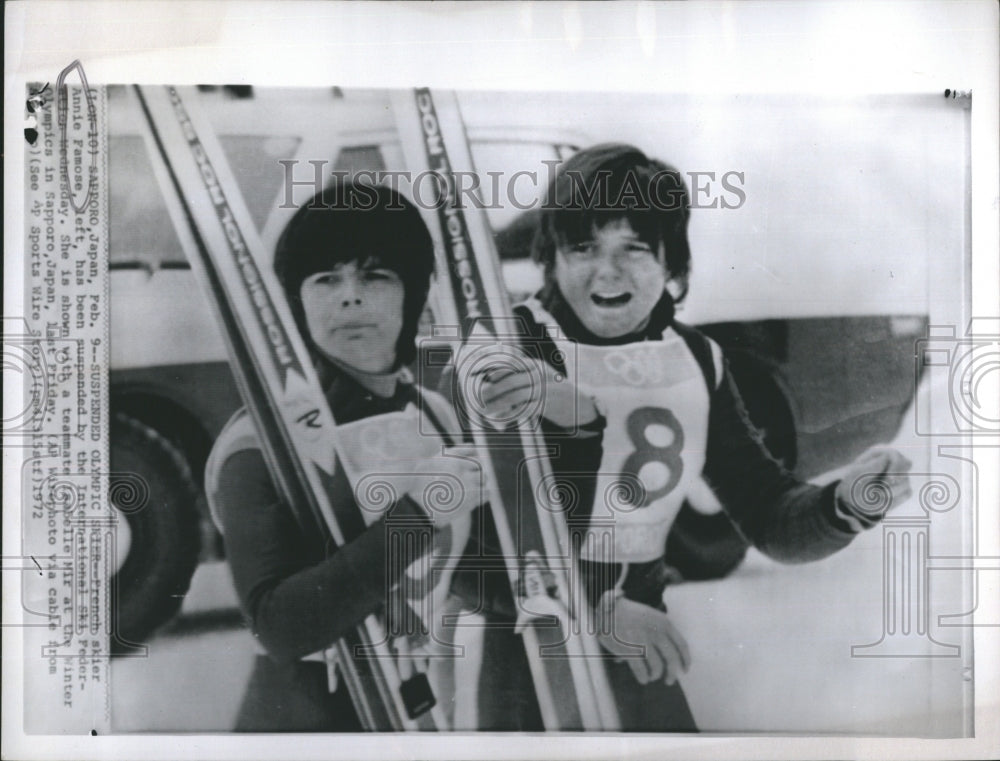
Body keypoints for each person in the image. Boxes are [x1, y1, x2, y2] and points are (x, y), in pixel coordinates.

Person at [471, 143, 913, 731]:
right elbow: (455, 546)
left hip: (639, 648)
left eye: (634, 248)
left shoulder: (696, 359)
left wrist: (846, 505)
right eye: (584, 247)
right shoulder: (507, 347)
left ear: (670, 264)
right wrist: (594, 609)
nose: (608, 271)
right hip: (531, 662)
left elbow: (768, 512)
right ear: (551, 257)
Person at [204, 181, 488, 731]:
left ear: (413, 294)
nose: (350, 296)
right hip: (308, 724)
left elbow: (464, 575)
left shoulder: (435, 413)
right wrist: (418, 516)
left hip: (412, 712)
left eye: (375, 276)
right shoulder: (260, 442)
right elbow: (277, 626)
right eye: (326, 278)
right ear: (296, 301)